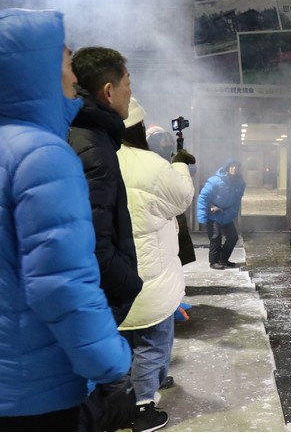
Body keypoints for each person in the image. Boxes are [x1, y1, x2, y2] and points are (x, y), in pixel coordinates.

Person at [0, 8, 131, 431]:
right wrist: (112, 369)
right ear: (31, 71)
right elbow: (61, 284)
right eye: (64, 63)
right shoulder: (41, 155)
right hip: (32, 389)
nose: (74, 79)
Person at [68, 46, 144, 431]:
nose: (132, 93)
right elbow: (94, 241)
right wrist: (128, 282)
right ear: (110, 91)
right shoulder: (94, 148)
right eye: (129, 85)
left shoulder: (87, 136)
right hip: (96, 298)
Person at [117, 99, 195, 431]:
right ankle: (142, 407)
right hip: (152, 274)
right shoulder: (149, 164)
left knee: (127, 341)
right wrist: (178, 164)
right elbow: (182, 196)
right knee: (153, 341)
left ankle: (131, 392)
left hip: (114, 271)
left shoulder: (99, 158)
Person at [147, 125, 196, 266]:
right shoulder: (153, 161)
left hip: (175, 215)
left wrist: (180, 155)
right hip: (159, 213)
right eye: (164, 142)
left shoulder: (171, 158)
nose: (168, 146)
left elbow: (191, 169)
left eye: (170, 143)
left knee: (177, 253)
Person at [197, 160, 246, 269]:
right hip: (213, 214)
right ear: (227, 167)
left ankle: (223, 259)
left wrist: (232, 213)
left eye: (236, 166)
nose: (234, 168)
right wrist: (202, 217)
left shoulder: (239, 183)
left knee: (233, 237)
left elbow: (237, 201)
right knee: (215, 237)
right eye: (232, 166)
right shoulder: (215, 181)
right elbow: (203, 197)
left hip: (226, 215)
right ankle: (213, 262)